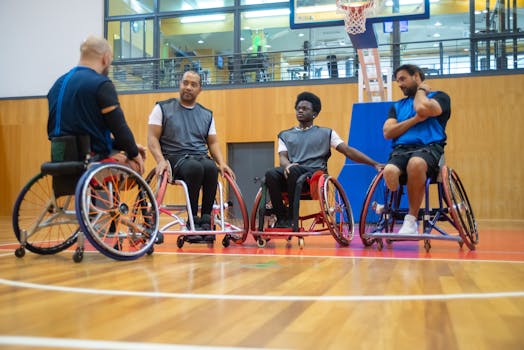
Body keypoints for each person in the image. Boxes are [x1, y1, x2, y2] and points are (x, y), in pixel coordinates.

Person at [265, 91, 381, 228]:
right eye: (298, 108)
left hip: (314, 176)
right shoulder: (285, 135)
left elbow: (348, 151)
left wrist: (374, 163)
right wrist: (287, 165)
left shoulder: (326, 133)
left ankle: (291, 217)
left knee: (294, 170)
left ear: (314, 114)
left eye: (305, 108)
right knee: (270, 174)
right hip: (292, 171)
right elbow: (282, 157)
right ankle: (281, 217)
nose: (300, 111)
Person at [148, 70, 234, 241]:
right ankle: (192, 219)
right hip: (174, 157)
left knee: (211, 168)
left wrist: (222, 163)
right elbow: (152, 138)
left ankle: (206, 220)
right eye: (185, 83)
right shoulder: (162, 108)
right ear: (180, 84)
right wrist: (159, 160)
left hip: (200, 156)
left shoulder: (206, 114)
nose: (188, 87)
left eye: (193, 84)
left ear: (200, 89)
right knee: (195, 168)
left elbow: (213, 143)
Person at [47, 35, 146, 174]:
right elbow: (119, 128)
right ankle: (104, 193)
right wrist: (134, 153)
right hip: (91, 161)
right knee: (135, 166)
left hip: (59, 159)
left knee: (121, 151)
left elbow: (79, 131)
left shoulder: (56, 85)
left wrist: (130, 146)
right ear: (105, 58)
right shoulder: (101, 84)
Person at [382, 64, 451, 234]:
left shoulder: (440, 97)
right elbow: (388, 132)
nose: (399, 84)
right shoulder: (397, 106)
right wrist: (415, 120)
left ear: (417, 76)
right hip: (401, 149)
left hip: (429, 148)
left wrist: (421, 91)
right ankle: (389, 206)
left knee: (416, 163)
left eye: (403, 79)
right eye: (397, 80)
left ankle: (411, 220)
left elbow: (422, 108)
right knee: (389, 171)